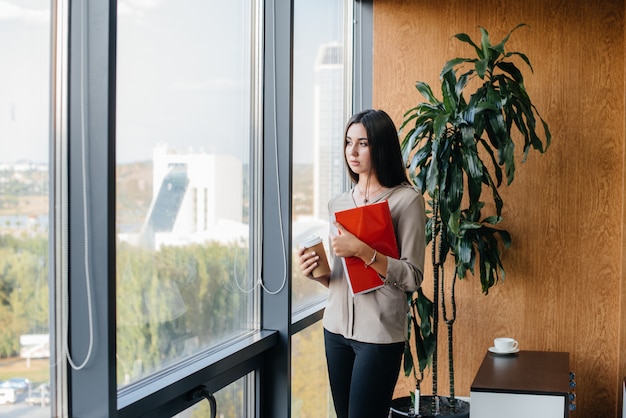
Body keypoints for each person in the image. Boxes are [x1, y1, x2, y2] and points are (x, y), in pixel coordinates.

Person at [298, 109, 426, 418]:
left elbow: (412, 277)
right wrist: (317, 273)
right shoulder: (339, 204)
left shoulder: (406, 201)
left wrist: (363, 250)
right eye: (348, 142)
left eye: (363, 144)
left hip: (379, 336)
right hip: (336, 331)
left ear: (380, 147)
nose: (352, 152)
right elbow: (345, 280)